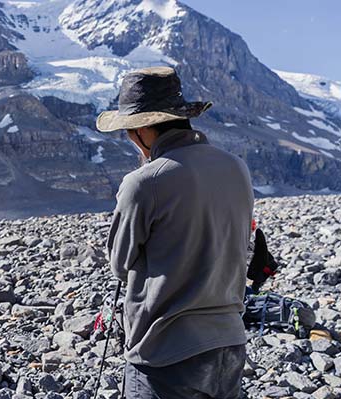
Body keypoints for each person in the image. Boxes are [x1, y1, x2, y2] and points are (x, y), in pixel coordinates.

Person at [97, 67, 254, 398]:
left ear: (144, 129)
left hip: (165, 353)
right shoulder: (236, 167)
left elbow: (119, 264)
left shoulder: (144, 183)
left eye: (129, 131)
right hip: (229, 342)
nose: (129, 139)